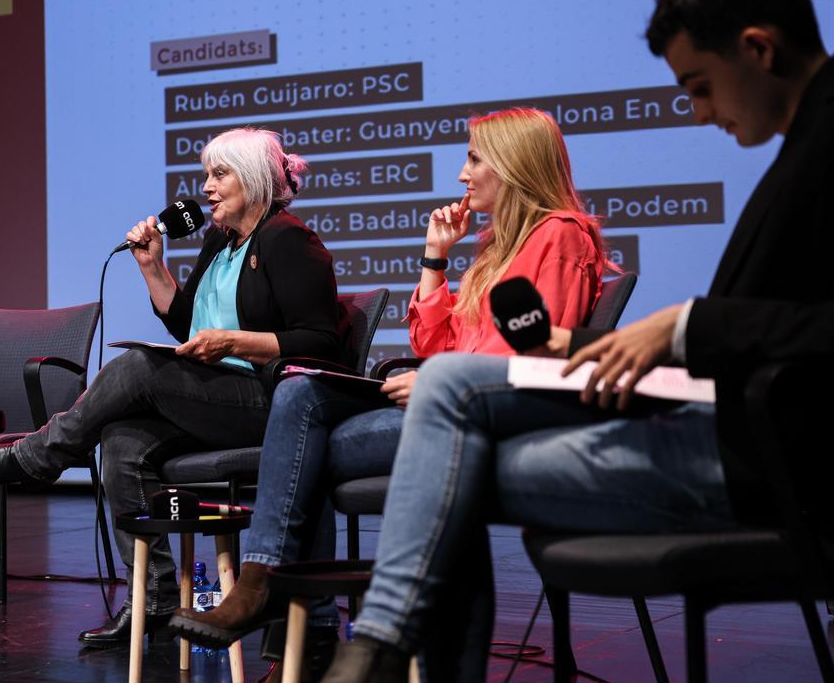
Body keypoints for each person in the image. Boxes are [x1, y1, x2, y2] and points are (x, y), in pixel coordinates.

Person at [319, 0, 834, 682]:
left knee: (452, 415)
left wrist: (682, 328)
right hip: (740, 432)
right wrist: (598, 344)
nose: (698, 111)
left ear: (758, 48)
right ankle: (385, 648)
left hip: (789, 463)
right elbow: (787, 322)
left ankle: (378, 645)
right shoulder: (825, 129)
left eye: (699, 86)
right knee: (454, 444)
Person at [169, 107, 612, 677]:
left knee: (301, 438)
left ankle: (287, 600)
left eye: (474, 159)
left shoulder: (559, 235)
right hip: (451, 401)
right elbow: (436, 344)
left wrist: (436, 380)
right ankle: (286, 603)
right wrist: (435, 259)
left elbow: (536, 354)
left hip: (488, 413)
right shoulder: (500, 245)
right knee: (301, 397)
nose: (462, 174)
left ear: (513, 164)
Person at [0, 127, 342, 647]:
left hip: (270, 403)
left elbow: (319, 341)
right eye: (206, 174)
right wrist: (152, 267)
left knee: (138, 367)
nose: (205, 186)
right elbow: (190, 329)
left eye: (219, 174)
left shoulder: (288, 239)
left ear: (253, 180)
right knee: (122, 438)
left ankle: (38, 455)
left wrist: (236, 342)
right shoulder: (219, 241)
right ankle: (156, 597)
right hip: (217, 398)